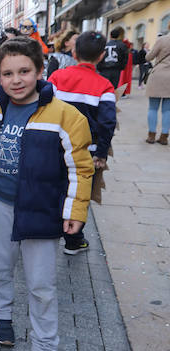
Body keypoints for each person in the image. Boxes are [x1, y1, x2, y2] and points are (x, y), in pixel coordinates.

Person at [0, 37, 93, 351]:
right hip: (1, 205)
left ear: (41, 71)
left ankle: (44, 349)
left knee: (41, 285)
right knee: (0, 267)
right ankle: (2, 317)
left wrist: (75, 210)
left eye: (24, 71)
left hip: (40, 211)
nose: (16, 80)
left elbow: (80, 169)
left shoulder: (66, 116)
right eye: (7, 73)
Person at [49, 31, 116, 254]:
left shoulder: (57, 77)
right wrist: (103, 153)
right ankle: (73, 239)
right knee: (80, 192)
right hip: (88, 151)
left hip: (56, 146)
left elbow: (45, 108)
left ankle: (48, 227)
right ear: (102, 56)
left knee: (54, 186)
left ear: (74, 52)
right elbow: (108, 122)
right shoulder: (105, 86)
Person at [144, 23, 170, 144]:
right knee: (167, 110)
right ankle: (164, 137)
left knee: (153, 108)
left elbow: (149, 57)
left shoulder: (162, 40)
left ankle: (151, 136)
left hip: (158, 76)